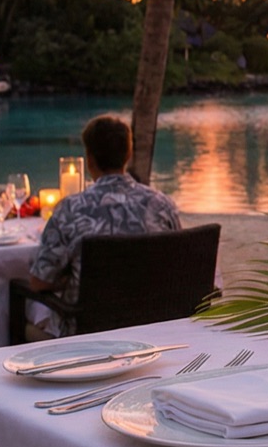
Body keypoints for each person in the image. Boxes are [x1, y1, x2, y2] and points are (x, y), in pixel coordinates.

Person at [26, 115, 181, 336]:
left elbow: (38, 282)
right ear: (128, 155)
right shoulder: (163, 204)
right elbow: (175, 266)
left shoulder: (71, 209)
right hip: (151, 333)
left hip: (86, 337)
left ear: (89, 159)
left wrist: (74, 279)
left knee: (29, 323)